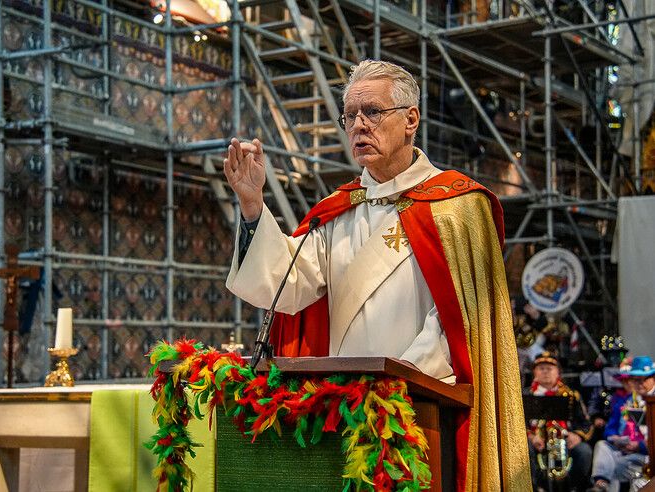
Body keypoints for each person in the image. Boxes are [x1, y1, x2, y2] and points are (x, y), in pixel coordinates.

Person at [223, 60, 530, 490]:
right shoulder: (336, 211)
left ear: (410, 119)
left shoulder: (458, 206)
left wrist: (394, 380)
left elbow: (462, 324)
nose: (359, 126)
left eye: (372, 112)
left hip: (419, 413)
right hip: (344, 415)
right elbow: (285, 288)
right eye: (351, 115)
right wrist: (253, 205)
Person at [525, 352, 593, 491]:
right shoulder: (525, 395)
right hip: (537, 443)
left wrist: (577, 436)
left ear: (558, 372)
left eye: (550, 368)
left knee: (584, 451)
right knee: (524, 450)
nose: (545, 371)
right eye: (541, 368)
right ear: (534, 373)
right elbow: (516, 425)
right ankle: (534, 487)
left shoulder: (572, 396)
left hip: (565, 442)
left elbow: (586, 424)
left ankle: (575, 488)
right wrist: (531, 437)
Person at [588, 356, 655, 491]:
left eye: (644, 379)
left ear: (653, 378)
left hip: (647, 454)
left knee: (616, 466)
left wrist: (639, 445)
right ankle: (600, 484)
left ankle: (602, 484)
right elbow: (610, 428)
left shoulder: (653, 402)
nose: (639, 383)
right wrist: (615, 439)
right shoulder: (625, 401)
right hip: (623, 450)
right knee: (602, 446)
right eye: (635, 379)